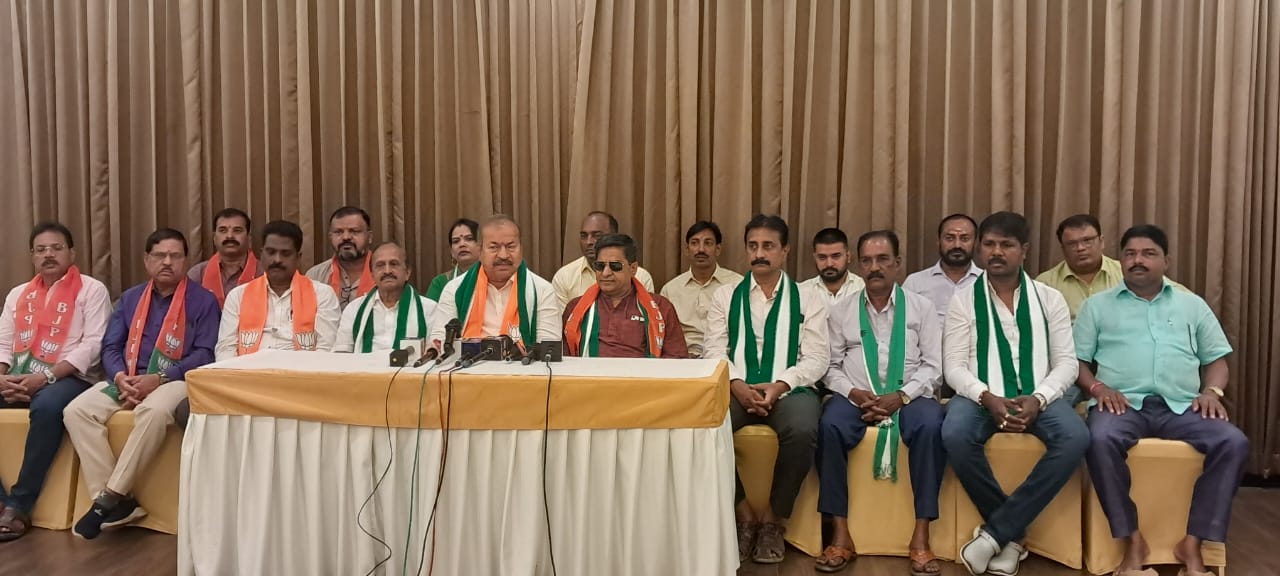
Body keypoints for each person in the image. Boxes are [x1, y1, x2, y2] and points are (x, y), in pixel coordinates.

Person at [1075, 225, 1247, 576]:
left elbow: (1216, 361)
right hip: (1121, 406)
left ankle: (1192, 545)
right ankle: (1133, 542)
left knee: (1234, 442)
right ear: (1120, 260)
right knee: (1099, 439)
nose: (1137, 260)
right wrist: (1098, 389)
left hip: (1183, 406)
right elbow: (1076, 362)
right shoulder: (1097, 307)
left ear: (1166, 261)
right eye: (1130, 254)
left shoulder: (1191, 305)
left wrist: (1211, 393)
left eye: (1148, 253)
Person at [941, 211, 1088, 576]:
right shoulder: (963, 300)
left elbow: (1067, 363)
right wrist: (986, 397)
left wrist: (1039, 399)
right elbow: (953, 367)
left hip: (1039, 395)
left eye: (1006, 245)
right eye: (989, 244)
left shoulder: (1049, 298)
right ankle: (1012, 535)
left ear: (1024, 250)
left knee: (1076, 437)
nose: (996, 252)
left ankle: (994, 535)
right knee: (954, 434)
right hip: (980, 397)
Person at [63, 228, 220, 539]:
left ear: (186, 261)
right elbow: (111, 346)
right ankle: (120, 503)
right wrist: (120, 376)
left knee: (154, 412)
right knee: (76, 411)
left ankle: (109, 497)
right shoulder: (131, 298)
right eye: (160, 255)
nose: (167, 262)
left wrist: (159, 378)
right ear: (147, 260)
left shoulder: (204, 301)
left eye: (175, 256)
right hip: (129, 376)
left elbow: (205, 353)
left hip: (175, 378)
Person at [815, 231, 944, 575]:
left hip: (909, 396)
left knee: (931, 426)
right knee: (828, 427)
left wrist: (901, 396)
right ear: (858, 265)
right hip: (856, 396)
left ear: (897, 264)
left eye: (883, 259)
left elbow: (934, 366)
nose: (875, 267)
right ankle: (840, 536)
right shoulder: (842, 310)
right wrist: (853, 393)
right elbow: (830, 367)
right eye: (868, 261)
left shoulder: (921, 308)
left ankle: (921, 537)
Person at [704, 214, 829, 566]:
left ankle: (774, 519)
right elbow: (713, 350)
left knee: (803, 429)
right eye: (753, 246)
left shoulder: (809, 298)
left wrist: (781, 385)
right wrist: (737, 385)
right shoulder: (725, 296)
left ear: (785, 250)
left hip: (790, 389)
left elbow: (817, 357)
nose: (759, 254)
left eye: (768, 246)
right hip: (736, 387)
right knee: (706, 426)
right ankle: (742, 513)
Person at [0, 222, 112, 542]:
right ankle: (1, 503)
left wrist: (45, 376)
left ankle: (20, 505)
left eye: (56, 248)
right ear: (32, 256)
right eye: (41, 250)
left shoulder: (91, 290)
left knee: (48, 406)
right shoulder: (18, 294)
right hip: (19, 375)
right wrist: (2, 377)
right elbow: (4, 342)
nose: (48, 255)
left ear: (72, 253)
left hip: (71, 378)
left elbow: (92, 346)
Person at [427, 215, 562, 353]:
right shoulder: (454, 290)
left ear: (521, 250)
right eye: (493, 247)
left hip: (523, 365)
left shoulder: (542, 291)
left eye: (511, 247)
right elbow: (440, 343)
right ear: (480, 251)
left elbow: (549, 349)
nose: (503, 255)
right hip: (466, 365)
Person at [217, 220, 341, 361]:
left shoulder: (322, 295)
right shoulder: (238, 296)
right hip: (247, 372)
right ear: (262, 254)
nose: (277, 260)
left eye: (285, 254)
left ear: (298, 258)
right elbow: (225, 349)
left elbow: (326, 349)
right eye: (271, 252)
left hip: (301, 371)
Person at [563, 234, 687, 358]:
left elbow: (676, 357)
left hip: (642, 371)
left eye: (615, 266)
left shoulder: (661, 307)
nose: (605, 273)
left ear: (633, 269)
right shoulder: (576, 308)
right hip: (588, 371)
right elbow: (563, 358)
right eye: (600, 266)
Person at [660, 221, 742, 358]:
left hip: (726, 358)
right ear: (687, 250)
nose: (701, 249)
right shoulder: (670, 290)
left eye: (708, 243)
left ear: (718, 249)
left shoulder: (737, 285)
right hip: (682, 360)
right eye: (695, 243)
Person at [336, 242, 436, 353]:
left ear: (407, 272)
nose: (387, 271)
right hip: (363, 365)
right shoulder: (354, 309)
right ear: (372, 275)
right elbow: (342, 353)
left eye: (394, 264)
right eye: (380, 265)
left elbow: (434, 354)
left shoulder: (429, 309)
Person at [551, 211, 654, 307]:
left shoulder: (641, 276)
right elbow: (565, 320)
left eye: (597, 235)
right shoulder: (565, 276)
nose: (589, 242)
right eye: (584, 236)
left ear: (613, 236)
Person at [904, 213, 982, 324]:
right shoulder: (915, 283)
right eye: (949, 238)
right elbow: (901, 324)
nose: (957, 245)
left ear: (976, 243)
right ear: (938, 241)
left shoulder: (986, 282)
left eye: (965, 239)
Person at [188, 208, 262, 307]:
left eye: (237, 230)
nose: (230, 236)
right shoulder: (198, 274)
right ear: (214, 237)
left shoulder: (263, 273)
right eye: (223, 230)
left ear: (248, 237)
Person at [305, 206, 375, 311]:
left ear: (369, 237)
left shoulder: (384, 272)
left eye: (354, 231)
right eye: (338, 232)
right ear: (330, 237)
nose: (346, 237)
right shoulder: (315, 276)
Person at [799, 228, 865, 305]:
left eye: (836, 256)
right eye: (822, 257)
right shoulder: (801, 293)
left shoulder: (863, 289)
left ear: (848, 257)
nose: (829, 264)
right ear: (815, 258)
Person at [425, 218, 479, 302]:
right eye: (456, 241)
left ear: (481, 245)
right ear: (451, 252)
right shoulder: (440, 282)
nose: (462, 244)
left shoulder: (493, 279)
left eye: (469, 239)